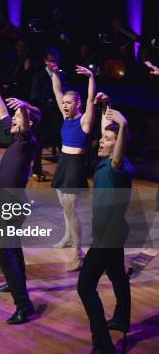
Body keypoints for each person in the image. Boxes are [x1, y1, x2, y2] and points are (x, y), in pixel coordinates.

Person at [0, 78, 40, 325]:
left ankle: (23, 306)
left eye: (19, 118)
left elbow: (23, 123)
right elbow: (4, 114)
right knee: (13, 249)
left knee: (4, 255)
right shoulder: (17, 138)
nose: (13, 121)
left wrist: (24, 107)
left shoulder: (27, 142)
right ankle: (16, 282)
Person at [77, 94, 132, 354]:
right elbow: (106, 132)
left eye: (108, 140)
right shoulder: (105, 162)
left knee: (85, 286)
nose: (101, 141)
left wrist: (124, 125)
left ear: (118, 145)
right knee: (118, 275)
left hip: (107, 237)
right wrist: (105, 107)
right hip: (114, 232)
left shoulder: (116, 166)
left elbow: (118, 150)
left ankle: (102, 344)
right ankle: (122, 317)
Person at [50, 64, 96, 272]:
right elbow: (57, 91)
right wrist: (54, 73)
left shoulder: (84, 121)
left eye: (69, 103)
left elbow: (90, 99)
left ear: (77, 104)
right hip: (63, 163)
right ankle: (68, 237)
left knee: (71, 209)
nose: (65, 105)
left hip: (75, 166)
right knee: (63, 205)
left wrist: (91, 78)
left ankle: (78, 253)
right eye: (64, 103)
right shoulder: (65, 116)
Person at [30, 48, 64, 181]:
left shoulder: (62, 74)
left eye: (56, 61)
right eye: (51, 61)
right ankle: (36, 170)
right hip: (43, 115)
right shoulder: (39, 77)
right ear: (45, 61)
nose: (54, 64)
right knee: (39, 142)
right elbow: (34, 97)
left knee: (62, 140)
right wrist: (49, 101)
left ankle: (62, 171)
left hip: (57, 115)